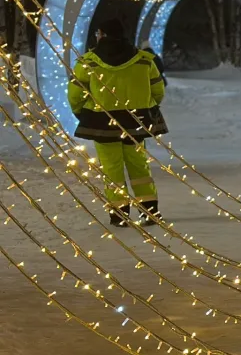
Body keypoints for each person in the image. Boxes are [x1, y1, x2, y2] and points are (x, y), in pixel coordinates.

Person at [69, 19, 168, 227]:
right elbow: (158, 91)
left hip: (102, 123)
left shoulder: (88, 63)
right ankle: (149, 211)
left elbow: (75, 95)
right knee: (139, 166)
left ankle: (119, 215)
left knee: (111, 168)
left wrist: (84, 114)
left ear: (102, 35)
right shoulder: (144, 60)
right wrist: (148, 108)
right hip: (136, 121)